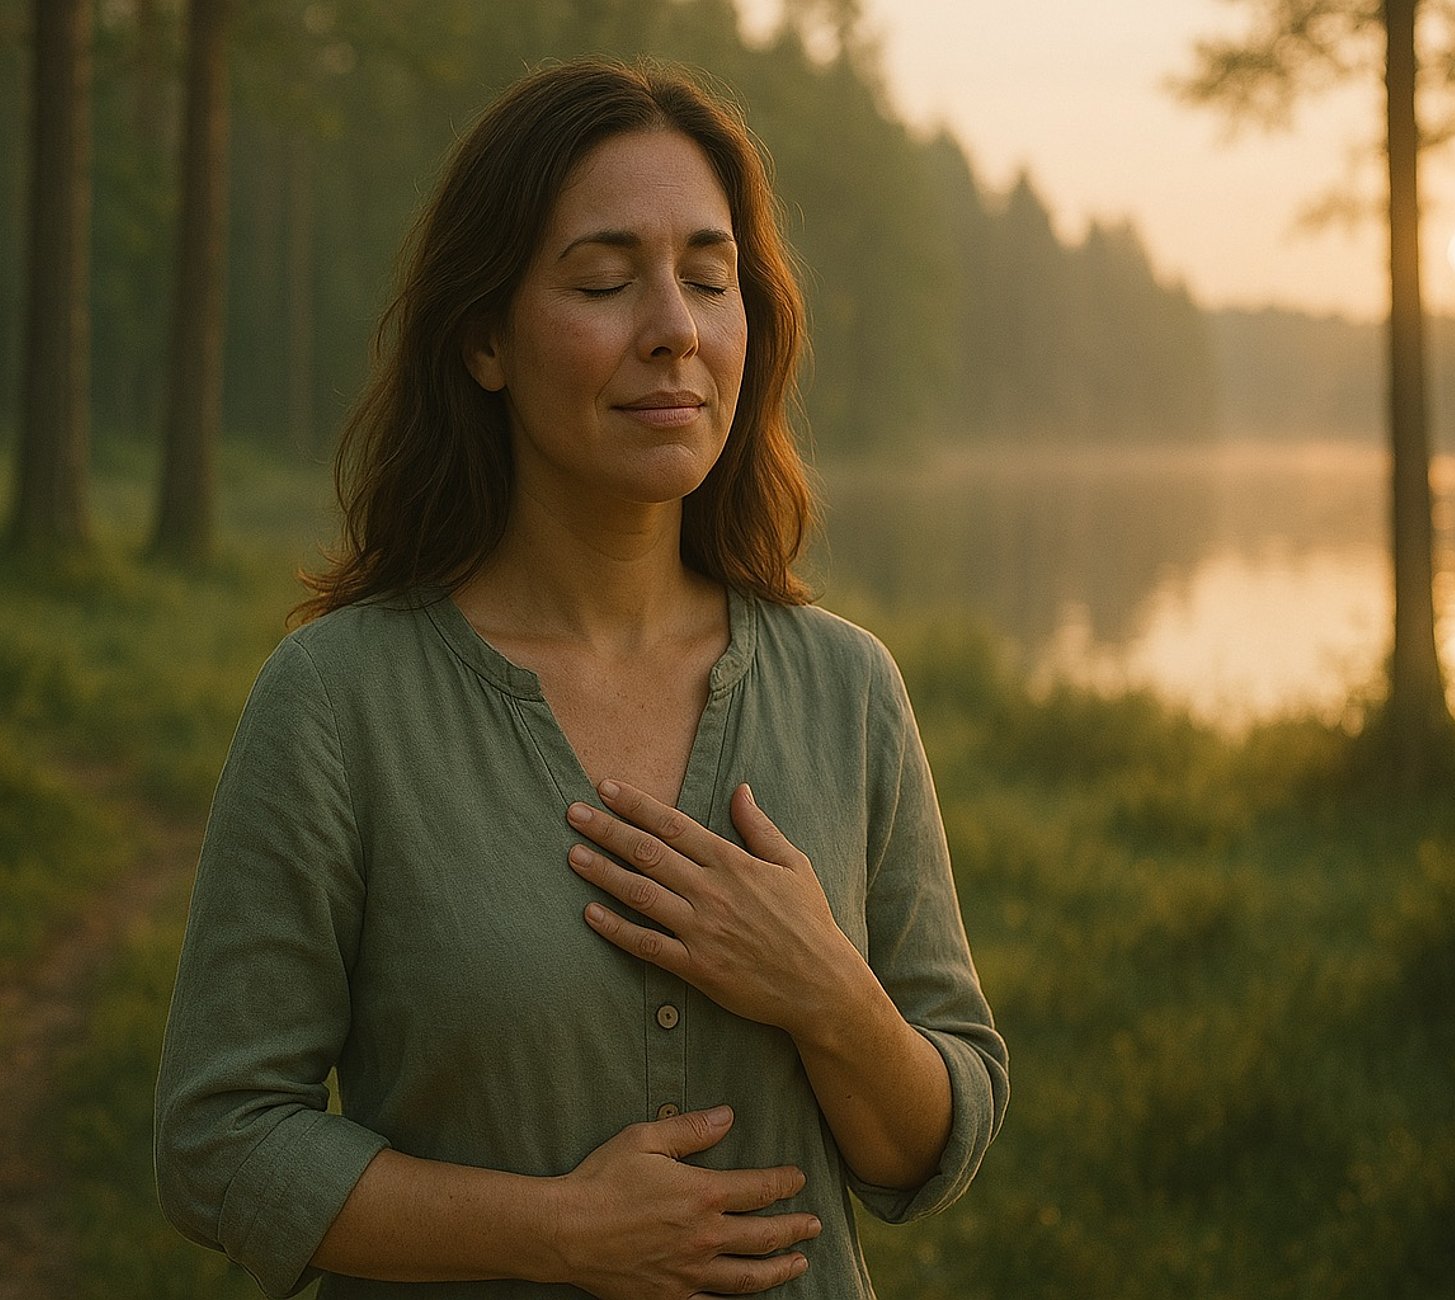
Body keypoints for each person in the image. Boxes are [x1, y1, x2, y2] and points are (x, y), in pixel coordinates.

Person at [154, 56, 1007, 1300]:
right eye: (606, 281)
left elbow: (930, 1145)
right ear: (485, 338)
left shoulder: (850, 688)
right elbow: (217, 1143)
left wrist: (826, 989)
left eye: (710, 280)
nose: (675, 327)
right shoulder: (339, 702)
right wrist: (557, 1231)